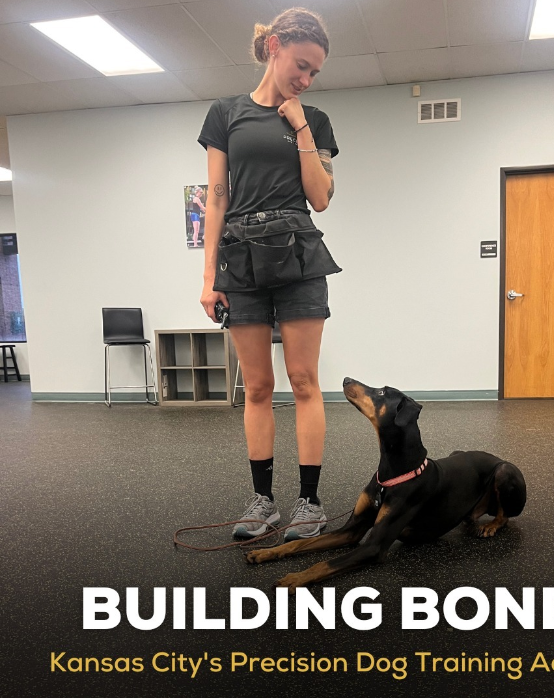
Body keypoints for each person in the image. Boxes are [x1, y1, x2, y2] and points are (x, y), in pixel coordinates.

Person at [197, 8, 340, 541]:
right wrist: (209, 277)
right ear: (275, 47)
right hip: (240, 258)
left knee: (303, 381)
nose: (306, 78)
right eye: (301, 65)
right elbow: (217, 199)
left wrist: (299, 122)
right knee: (257, 386)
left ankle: (309, 503)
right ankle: (263, 502)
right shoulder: (225, 114)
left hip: (299, 255)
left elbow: (321, 198)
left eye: (314, 72)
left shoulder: (315, 119)